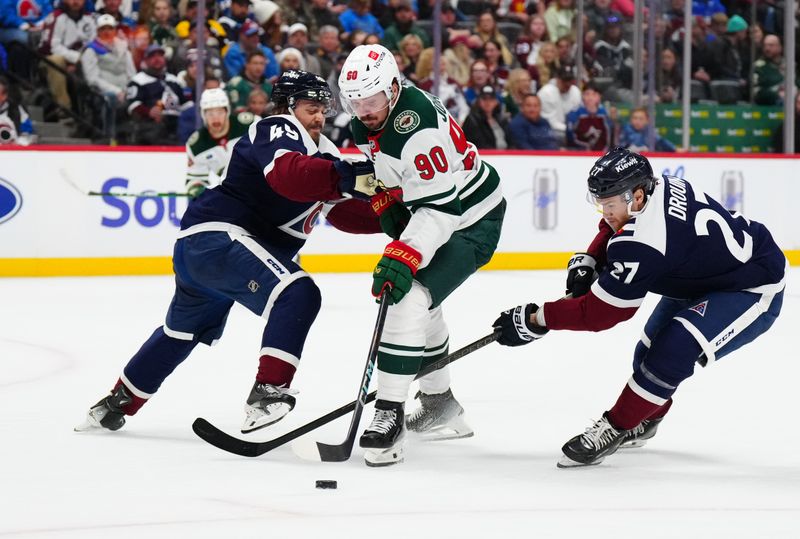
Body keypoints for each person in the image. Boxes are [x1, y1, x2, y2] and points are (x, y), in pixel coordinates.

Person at [76, 71, 382, 435]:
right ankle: (268, 391)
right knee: (297, 294)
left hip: (204, 251)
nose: (319, 117)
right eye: (311, 108)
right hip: (219, 239)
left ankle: (116, 403)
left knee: (180, 333)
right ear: (287, 106)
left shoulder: (324, 156)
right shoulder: (277, 128)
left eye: (323, 109)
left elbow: (346, 213)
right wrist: (348, 177)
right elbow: (290, 174)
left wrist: (401, 217)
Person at [493, 147, 786, 468]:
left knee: (674, 349)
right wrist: (592, 259)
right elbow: (615, 228)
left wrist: (537, 318)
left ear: (636, 195)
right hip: (706, 273)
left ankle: (616, 426)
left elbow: (603, 312)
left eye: (609, 203)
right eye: (600, 202)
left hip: (753, 287)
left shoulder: (646, 243)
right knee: (646, 354)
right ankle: (645, 417)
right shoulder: (658, 187)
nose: (603, 211)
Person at [338, 44, 506, 467]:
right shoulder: (369, 121)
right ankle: (440, 404)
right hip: (440, 207)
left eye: (372, 100)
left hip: (472, 218)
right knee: (423, 307)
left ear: (393, 90)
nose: (364, 110)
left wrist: (407, 250)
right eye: (355, 102)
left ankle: (388, 414)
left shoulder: (418, 130)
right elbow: (399, 178)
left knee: (407, 295)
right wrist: (387, 198)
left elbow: (442, 208)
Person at [184, 88, 260, 199]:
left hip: (265, 185)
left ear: (227, 111)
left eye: (219, 112)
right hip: (235, 197)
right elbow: (195, 178)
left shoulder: (250, 125)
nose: (215, 118)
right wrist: (197, 188)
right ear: (203, 115)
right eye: (210, 113)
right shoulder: (196, 146)